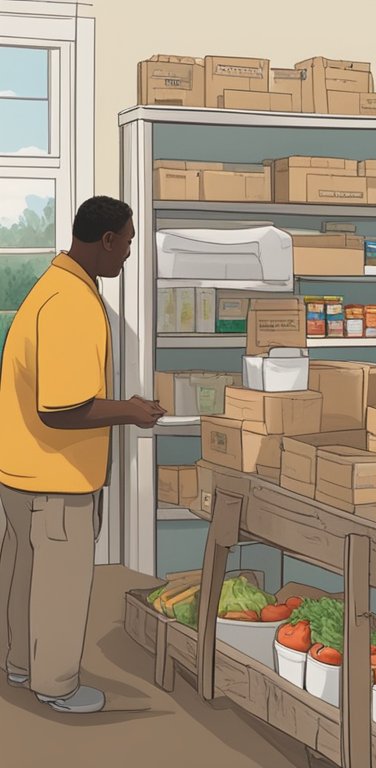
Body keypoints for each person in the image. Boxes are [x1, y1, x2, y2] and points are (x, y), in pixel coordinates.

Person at [0, 196, 165, 714]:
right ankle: (56, 684)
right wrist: (131, 411)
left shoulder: (50, 286)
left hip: (21, 470)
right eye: (128, 243)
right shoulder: (72, 301)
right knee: (61, 584)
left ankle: (20, 663)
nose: (129, 255)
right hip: (59, 476)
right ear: (106, 240)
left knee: (23, 574)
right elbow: (61, 409)